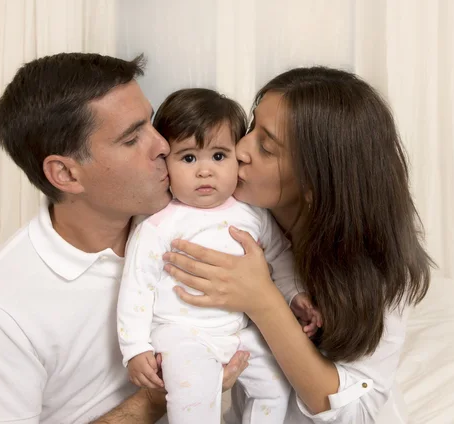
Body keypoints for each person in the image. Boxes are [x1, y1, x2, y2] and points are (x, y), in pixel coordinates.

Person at [0, 53, 248, 424]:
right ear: (66, 174)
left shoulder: (194, 217)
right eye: (131, 138)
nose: (163, 146)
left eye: (151, 123)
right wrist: (159, 398)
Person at [161, 67, 433, 424]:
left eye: (266, 147)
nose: (240, 149)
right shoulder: (230, 215)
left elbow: (356, 412)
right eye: (252, 128)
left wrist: (263, 300)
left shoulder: (378, 263)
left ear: (314, 183)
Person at [117, 88, 322, 424]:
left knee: (277, 384)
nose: (204, 171)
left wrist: (295, 294)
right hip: (182, 334)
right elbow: (136, 287)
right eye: (188, 158)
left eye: (218, 156)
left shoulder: (252, 214)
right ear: (165, 163)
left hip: (237, 331)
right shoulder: (159, 224)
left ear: (236, 157)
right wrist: (135, 348)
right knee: (194, 399)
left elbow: (279, 259)